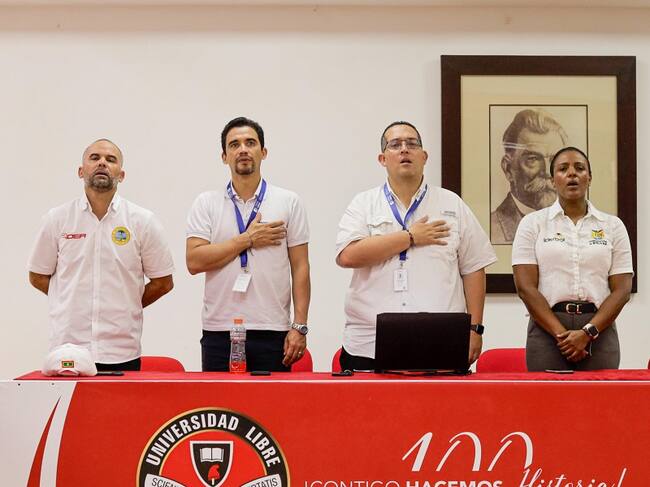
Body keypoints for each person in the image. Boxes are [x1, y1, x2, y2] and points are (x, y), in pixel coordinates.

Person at [336, 121, 497, 371]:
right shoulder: (364, 204)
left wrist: (475, 329)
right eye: (395, 145)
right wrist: (410, 237)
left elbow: (474, 268)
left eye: (412, 144)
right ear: (382, 159)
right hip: (369, 343)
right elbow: (348, 256)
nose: (404, 149)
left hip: (440, 341)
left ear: (424, 156)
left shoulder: (451, 204)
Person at [28, 139, 174, 371]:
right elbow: (37, 276)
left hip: (121, 351)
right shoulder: (57, 219)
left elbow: (163, 282)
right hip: (68, 347)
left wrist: (128, 304)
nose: (102, 163)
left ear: (121, 175)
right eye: (95, 158)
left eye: (111, 159)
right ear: (80, 171)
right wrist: (67, 299)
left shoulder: (143, 221)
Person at [186, 116, 311, 372]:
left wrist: (299, 326)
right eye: (234, 145)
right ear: (224, 157)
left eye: (250, 143)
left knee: (270, 400)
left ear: (263, 152)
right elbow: (194, 261)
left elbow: (300, 267)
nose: (242, 149)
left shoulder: (288, 201)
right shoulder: (206, 203)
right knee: (221, 399)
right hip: (219, 330)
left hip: (272, 329)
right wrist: (248, 239)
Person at [512, 147, 633, 371]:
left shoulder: (613, 226)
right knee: (547, 395)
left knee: (600, 395)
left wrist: (587, 333)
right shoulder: (532, 224)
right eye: (563, 169)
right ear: (552, 180)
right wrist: (562, 336)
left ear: (590, 178)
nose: (572, 174)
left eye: (579, 168)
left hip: (599, 329)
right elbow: (525, 288)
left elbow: (622, 290)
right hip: (547, 331)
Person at [491, 108, 569, 244]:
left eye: (555, 160)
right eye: (533, 159)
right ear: (508, 169)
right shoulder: (492, 230)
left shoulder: (580, 224)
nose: (548, 172)